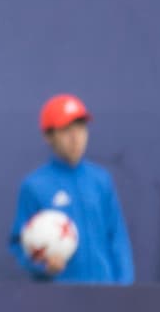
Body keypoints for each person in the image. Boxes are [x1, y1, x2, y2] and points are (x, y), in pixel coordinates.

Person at [9, 94, 134, 285]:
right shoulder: (34, 186)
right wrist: (44, 267)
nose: (76, 137)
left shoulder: (101, 180)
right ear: (48, 136)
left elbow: (117, 238)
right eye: (66, 130)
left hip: (105, 293)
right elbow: (20, 245)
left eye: (81, 128)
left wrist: (124, 287)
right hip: (60, 298)